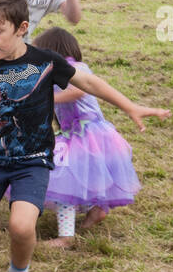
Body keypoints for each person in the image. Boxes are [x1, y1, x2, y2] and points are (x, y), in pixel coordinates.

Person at [0, 0, 169, 272]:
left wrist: (130, 106)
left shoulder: (45, 62)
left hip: (33, 162)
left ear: (22, 28)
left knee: (21, 226)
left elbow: (89, 83)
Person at [34, 29, 143, 247]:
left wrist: (46, 98)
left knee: (65, 180)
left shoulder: (75, 69)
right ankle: (96, 211)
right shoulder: (64, 71)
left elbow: (78, 92)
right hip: (88, 135)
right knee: (86, 178)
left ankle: (66, 237)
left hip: (85, 135)